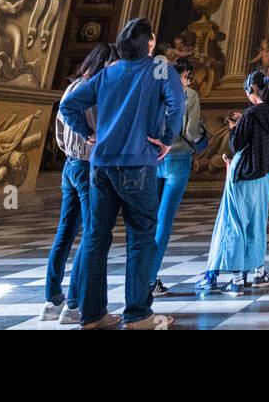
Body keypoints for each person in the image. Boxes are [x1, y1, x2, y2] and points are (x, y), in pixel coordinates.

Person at [59, 17, 185, 330]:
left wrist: (88, 134)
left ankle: (92, 316)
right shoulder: (158, 67)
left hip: (101, 166)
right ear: (151, 42)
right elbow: (177, 103)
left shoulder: (110, 71)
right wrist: (167, 139)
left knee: (95, 238)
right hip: (137, 163)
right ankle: (138, 315)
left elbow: (69, 105)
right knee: (141, 238)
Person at [197, 69, 269, 294]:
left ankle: (236, 280)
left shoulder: (252, 113)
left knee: (235, 224)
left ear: (252, 89)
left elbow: (236, 145)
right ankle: (259, 273)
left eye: (247, 90)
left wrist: (235, 126)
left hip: (245, 174)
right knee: (257, 223)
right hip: (264, 175)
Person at [40, 43, 109, 324]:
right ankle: (75, 305)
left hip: (70, 164)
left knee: (65, 233)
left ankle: (52, 300)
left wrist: (71, 149)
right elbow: (93, 129)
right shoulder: (90, 90)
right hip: (86, 165)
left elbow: (58, 128)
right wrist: (89, 139)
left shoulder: (72, 85)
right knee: (92, 234)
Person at [150, 58, 204, 297]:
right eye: (189, 76)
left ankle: (140, 276)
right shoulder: (189, 95)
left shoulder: (155, 91)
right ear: (187, 75)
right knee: (164, 220)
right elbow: (192, 132)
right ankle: (151, 279)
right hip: (178, 156)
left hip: (153, 157)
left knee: (148, 218)